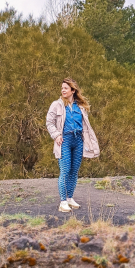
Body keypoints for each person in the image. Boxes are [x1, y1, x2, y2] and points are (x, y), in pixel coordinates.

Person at [46, 79, 100, 213]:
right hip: (64, 140)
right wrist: (56, 135)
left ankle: (70, 198)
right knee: (65, 170)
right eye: (62, 88)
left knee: (74, 171)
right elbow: (49, 122)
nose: (63, 90)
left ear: (73, 90)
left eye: (66, 88)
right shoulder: (56, 105)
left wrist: (89, 142)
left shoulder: (80, 107)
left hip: (78, 140)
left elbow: (86, 127)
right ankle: (63, 202)